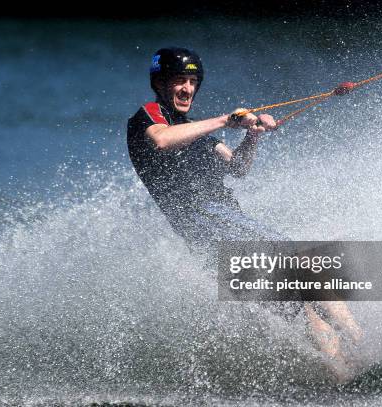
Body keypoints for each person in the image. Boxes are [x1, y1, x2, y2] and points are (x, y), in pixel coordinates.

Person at [127, 47, 362, 383]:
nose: (187, 89)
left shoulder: (196, 131)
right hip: (207, 225)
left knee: (296, 303)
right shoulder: (148, 118)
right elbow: (162, 141)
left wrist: (253, 135)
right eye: (179, 80)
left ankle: (346, 374)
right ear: (160, 82)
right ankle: (359, 341)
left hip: (222, 229)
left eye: (193, 82)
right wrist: (225, 120)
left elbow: (237, 167)